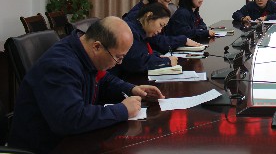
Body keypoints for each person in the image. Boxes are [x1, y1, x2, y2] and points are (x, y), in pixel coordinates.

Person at [8, 17, 164, 153]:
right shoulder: (60, 66)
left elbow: (104, 80)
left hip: (73, 139)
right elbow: (70, 119)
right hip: (48, 147)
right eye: (118, 57)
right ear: (97, 46)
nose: (119, 63)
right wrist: (122, 110)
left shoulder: (84, 52)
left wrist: (132, 89)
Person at [124, 0, 202, 51]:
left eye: (169, 2)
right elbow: (156, 42)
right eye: (165, 1)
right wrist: (183, 40)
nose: (166, 7)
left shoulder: (154, 13)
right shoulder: (138, 17)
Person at [112, 2, 178, 75]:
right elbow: (137, 63)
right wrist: (166, 61)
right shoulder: (131, 32)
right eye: (161, 25)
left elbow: (145, 53)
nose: (160, 31)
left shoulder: (142, 31)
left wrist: (158, 56)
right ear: (149, 16)